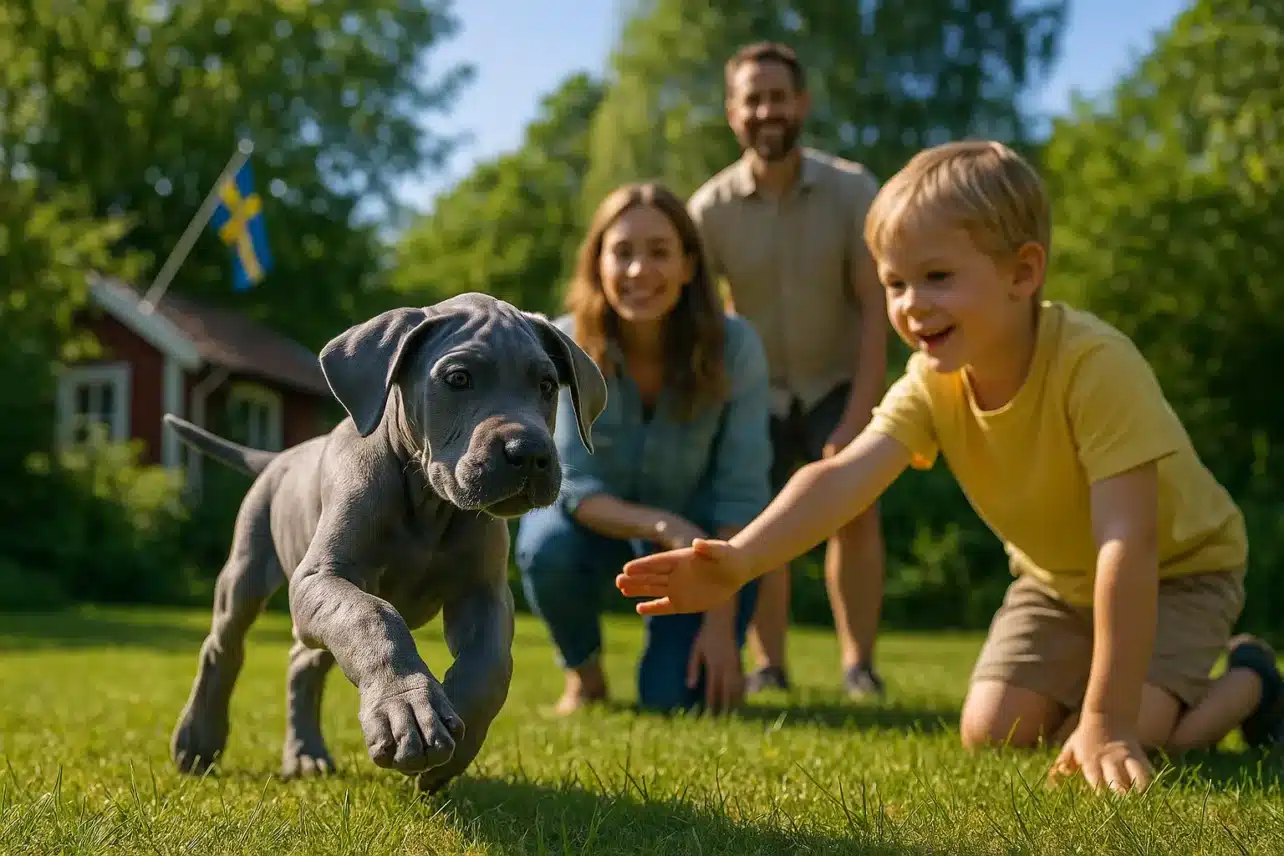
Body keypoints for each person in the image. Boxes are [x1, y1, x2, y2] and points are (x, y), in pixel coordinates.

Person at [617, 140, 1284, 794]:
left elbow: (1127, 543)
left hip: (1179, 572)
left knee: (1135, 736)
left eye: (937, 277)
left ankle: (1249, 683)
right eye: (894, 283)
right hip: (1057, 583)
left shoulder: (1093, 364)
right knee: (992, 729)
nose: (910, 304)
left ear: (1022, 273)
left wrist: (1107, 720)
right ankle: (1113, 692)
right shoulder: (932, 382)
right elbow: (844, 477)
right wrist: (740, 558)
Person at [514, 181, 773, 717]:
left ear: (688, 266)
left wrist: (722, 629)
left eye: (659, 252)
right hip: (599, 534)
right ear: (598, 264)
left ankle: (693, 660)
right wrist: (659, 525)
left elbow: (741, 496)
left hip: (704, 551)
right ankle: (584, 679)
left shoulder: (738, 347)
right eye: (623, 253)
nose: (638, 271)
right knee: (544, 546)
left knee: (679, 703)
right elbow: (573, 487)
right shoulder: (564, 344)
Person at [687, 41, 891, 700]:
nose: (766, 110)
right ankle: (769, 665)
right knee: (762, 521)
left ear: (800, 103)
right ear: (732, 112)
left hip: (839, 380)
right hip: (755, 391)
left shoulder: (853, 189)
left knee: (855, 513)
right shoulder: (708, 211)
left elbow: (875, 307)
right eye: (753, 99)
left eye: (778, 96)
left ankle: (859, 664)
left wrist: (860, 414)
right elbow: (695, 316)